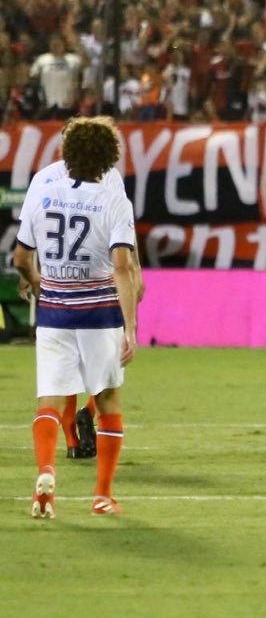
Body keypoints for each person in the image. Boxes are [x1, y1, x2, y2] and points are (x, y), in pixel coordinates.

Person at [13, 116, 138, 517]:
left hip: (53, 312)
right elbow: (122, 265)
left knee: (49, 399)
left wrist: (38, 281)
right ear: (109, 156)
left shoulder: (43, 191)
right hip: (99, 312)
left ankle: (46, 475)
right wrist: (130, 326)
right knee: (107, 399)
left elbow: (20, 257)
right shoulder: (112, 197)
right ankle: (102, 495)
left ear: (66, 152)